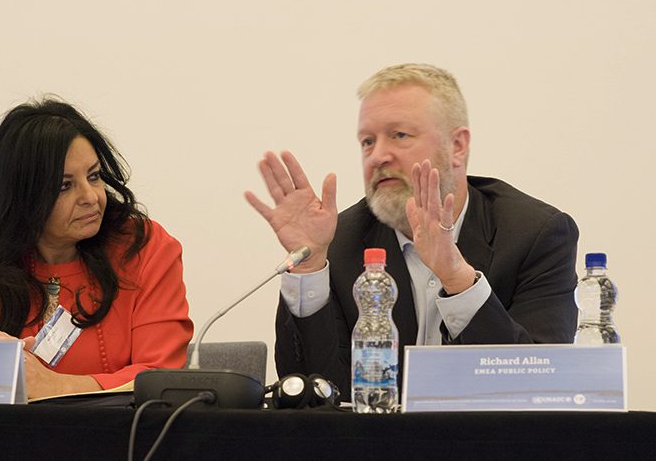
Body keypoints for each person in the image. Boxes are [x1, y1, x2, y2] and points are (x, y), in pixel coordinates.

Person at [245, 63, 579, 400]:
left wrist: (458, 279)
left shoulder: (535, 234)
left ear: (457, 146)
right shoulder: (337, 241)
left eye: (400, 135)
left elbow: (538, 385)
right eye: (367, 142)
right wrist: (309, 267)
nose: (377, 156)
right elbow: (314, 394)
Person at [0, 98, 193, 400]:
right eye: (64, 186)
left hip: (119, 430)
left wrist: (57, 386)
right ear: (22, 197)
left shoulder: (145, 247)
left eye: (94, 176)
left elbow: (161, 379)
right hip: (7, 430)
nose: (91, 197)